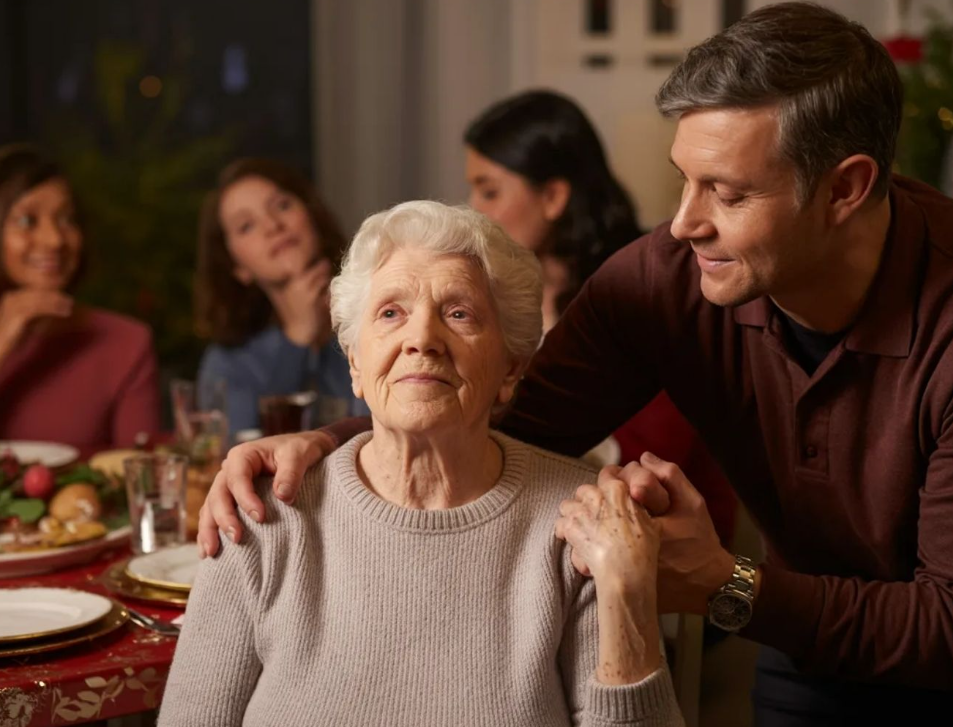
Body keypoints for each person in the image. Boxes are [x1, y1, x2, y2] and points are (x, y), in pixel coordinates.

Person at [199, 3, 953, 723]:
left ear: (845, 189)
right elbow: (508, 413)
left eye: (727, 193)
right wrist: (331, 443)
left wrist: (730, 584)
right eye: (685, 179)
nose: (683, 222)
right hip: (804, 643)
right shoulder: (670, 276)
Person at [159, 201, 681, 726]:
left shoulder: (583, 524)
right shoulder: (260, 513)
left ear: (511, 368)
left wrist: (628, 591)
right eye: (391, 313)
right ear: (355, 363)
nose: (422, 339)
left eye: (459, 314)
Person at [465, 90, 737, 546]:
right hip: (555, 517)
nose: (474, 209)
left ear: (553, 195)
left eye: (489, 190)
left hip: (665, 535)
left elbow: (655, 452)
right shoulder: (503, 293)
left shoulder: (643, 290)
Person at [0, 144, 159, 451]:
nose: (55, 240)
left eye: (66, 219)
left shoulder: (127, 343)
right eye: (27, 221)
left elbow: (143, 479)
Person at [194, 158, 369, 434]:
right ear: (237, 267)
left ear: (311, 216)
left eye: (282, 206)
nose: (273, 226)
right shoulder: (228, 363)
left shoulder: (379, 311)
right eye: (246, 226)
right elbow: (243, 456)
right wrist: (297, 339)